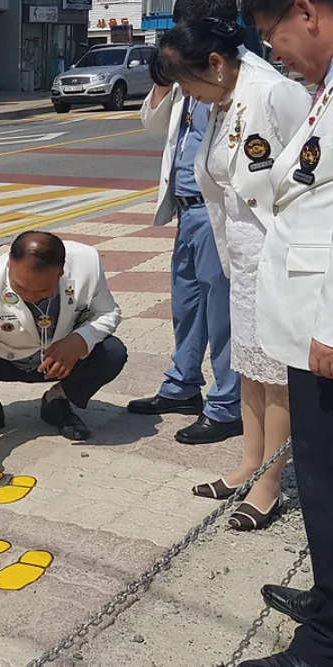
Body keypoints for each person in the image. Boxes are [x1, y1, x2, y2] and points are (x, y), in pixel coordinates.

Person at [153, 19, 311, 529]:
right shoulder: (222, 99)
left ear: (216, 64)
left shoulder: (274, 93)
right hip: (241, 255)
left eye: (186, 81)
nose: (185, 94)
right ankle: (249, 462)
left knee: (277, 376)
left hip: (279, 255)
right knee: (247, 366)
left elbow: (310, 182)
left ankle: (269, 484)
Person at [236, 0, 333, 662]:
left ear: (307, 12)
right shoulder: (322, 90)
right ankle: (328, 597)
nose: (275, 52)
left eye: (275, 38)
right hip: (307, 324)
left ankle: (322, 642)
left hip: (324, 328)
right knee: (323, 476)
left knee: (326, 480)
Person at [126, 0, 245, 445]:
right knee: (187, 305)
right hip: (187, 208)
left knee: (222, 313)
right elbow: (152, 121)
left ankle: (227, 403)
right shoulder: (187, 72)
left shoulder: (230, 74)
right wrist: (162, 78)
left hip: (217, 210)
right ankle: (182, 385)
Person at [0, 231, 127, 453]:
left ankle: (57, 402)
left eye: (43, 291)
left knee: (113, 352)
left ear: (61, 273)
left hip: (59, 364)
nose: (31, 296)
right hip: (5, 357)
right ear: (9, 265)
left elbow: (108, 312)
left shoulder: (87, 262)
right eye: (20, 287)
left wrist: (79, 340)